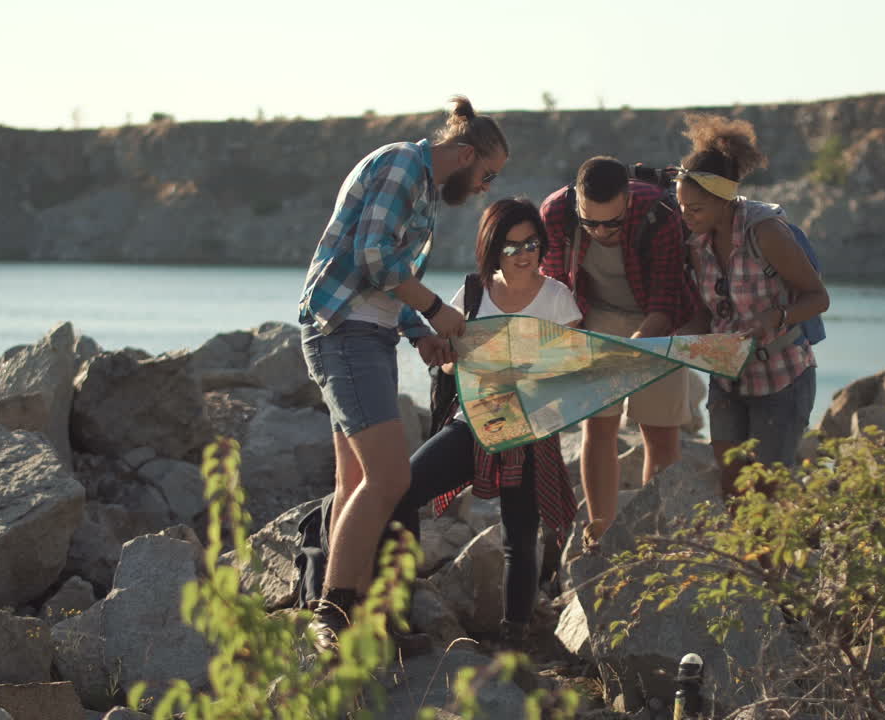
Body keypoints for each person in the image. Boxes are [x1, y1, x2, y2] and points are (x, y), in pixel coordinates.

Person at [298, 96, 507, 650]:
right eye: (487, 175)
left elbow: (391, 278)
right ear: (466, 155)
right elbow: (374, 258)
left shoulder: (421, 184)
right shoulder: (402, 165)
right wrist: (437, 310)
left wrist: (418, 333)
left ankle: (361, 626)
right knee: (390, 480)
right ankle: (332, 616)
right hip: (345, 334)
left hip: (368, 335)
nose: (484, 189)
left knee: (355, 483)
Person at [392, 197, 581, 646]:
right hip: (472, 422)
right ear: (493, 250)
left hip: (530, 430)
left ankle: (515, 635)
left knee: (521, 534)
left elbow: (573, 369)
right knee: (401, 491)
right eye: (511, 246)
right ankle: (397, 610)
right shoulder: (473, 294)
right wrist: (449, 358)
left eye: (531, 243)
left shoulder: (557, 298)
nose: (523, 254)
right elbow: (449, 364)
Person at [538, 158, 696, 548]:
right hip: (593, 315)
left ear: (627, 200)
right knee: (598, 426)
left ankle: (658, 539)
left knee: (660, 433)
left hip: (654, 323)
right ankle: (601, 535)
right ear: (577, 201)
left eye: (613, 223)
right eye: (590, 223)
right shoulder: (555, 213)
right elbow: (556, 289)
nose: (601, 232)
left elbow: (665, 301)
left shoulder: (659, 214)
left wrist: (637, 348)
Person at [673, 113, 829, 500]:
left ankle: (777, 545)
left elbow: (818, 298)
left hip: (783, 377)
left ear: (723, 200)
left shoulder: (766, 233)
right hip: (728, 378)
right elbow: (709, 314)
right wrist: (675, 340)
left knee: (769, 489)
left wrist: (775, 317)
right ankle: (739, 544)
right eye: (681, 206)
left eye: (695, 208)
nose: (685, 216)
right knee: (732, 483)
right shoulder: (696, 243)